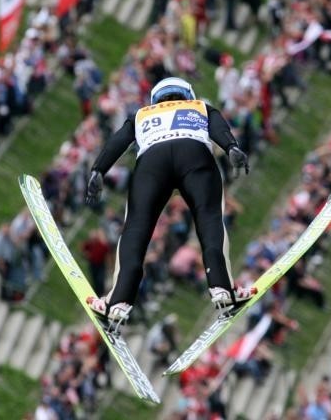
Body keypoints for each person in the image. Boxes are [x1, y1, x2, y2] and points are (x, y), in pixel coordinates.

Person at [85, 77, 257, 325]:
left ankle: (118, 302)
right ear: (187, 94)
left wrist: (98, 170)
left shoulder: (142, 114)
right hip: (194, 154)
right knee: (209, 219)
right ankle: (222, 288)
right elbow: (219, 127)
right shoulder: (199, 106)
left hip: (152, 163)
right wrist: (232, 147)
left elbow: (119, 140)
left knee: (136, 229)